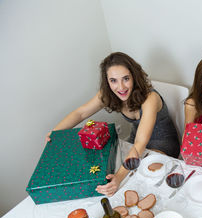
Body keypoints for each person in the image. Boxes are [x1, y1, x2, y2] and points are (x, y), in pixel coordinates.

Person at [46, 52, 180, 196]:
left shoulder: (150, 98)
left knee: (140, 179)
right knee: (113, 167)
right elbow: (81, 113)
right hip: (134, 140)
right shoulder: (108, 93)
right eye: (113, 80)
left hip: (162, 144)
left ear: (134, 76)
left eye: (126, 79)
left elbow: (140, 143)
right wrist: (55, 132)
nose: (120, 87)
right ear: (107, 81)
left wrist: (118, 179)